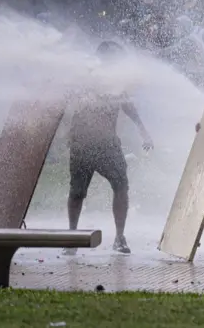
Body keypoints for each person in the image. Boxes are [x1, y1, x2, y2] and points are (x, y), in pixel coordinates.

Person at [64, 41, 153, 255]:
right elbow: (69, 101)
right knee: (77, 193)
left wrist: (143, 130)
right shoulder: (86, 77)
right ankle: (72, 239)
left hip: (107, 144)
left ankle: (119, 237)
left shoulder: (117, 82)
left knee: (121, 186)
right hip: (83, 143)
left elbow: (127, 105)